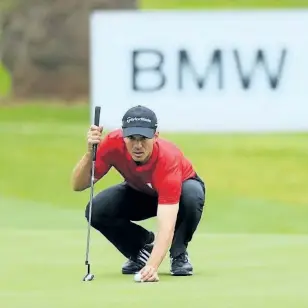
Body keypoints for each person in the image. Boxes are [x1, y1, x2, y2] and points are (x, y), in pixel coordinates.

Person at [70, 105, 206, 282]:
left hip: (179, 193)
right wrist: (89, 154)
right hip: (141, 191)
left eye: (144, 138)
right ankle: (141, 249)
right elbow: (78, 185)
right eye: (132, 138)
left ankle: (178, 253)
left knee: (191, 194)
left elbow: (166, 225)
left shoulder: (168, 159)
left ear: (155, 136)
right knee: (96, 210)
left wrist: (152, 267)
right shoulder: (113, 143)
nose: (138, 145)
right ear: (123, 134)